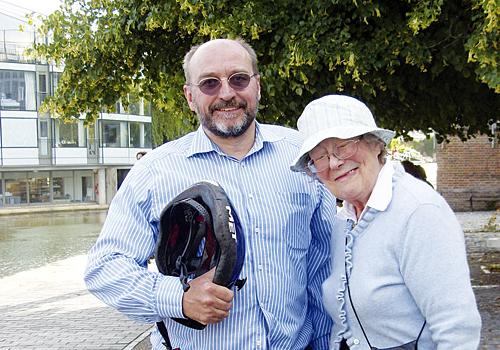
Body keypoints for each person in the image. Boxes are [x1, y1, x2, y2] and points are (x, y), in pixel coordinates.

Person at [84, 38, 337, 349]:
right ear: (190, 96)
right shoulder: (153, 173)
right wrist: (179, 298)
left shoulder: (301, 157)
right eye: (209, 83)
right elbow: (105, 267)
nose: (227, 93)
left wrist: (326, 342)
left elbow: (323, 267)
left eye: (239, 79)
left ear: (257, 86)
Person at [290, 95, 481, 349]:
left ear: (376, 144)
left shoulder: (419, 211)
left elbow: (457, 329)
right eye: (320, 157)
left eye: (344, 145)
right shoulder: (344, 221)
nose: (334, 162)